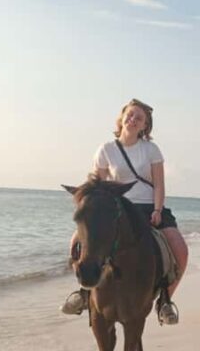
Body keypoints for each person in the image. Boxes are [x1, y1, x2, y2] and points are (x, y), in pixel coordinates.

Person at [61, 99, 189, 324]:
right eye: (130, 115)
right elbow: (96, 185)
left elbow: (159, 184)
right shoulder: (106, 149)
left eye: (139, 118)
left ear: (144, 126)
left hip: (149, 206)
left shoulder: (151, 150)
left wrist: (158, 209)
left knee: (180, 250)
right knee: (76, 243)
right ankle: (83, 292)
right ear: (121, 118)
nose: (133, 120)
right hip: (116, 208)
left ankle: (165, 301)